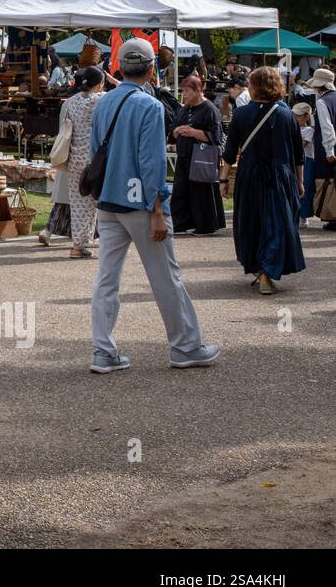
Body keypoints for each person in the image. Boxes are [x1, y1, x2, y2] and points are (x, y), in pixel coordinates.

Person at [87, 38, 219, 374]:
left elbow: (94, 152)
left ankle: (104, 349)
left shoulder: (102, 103)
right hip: (142, 203)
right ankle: (185, 346)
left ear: (119, 66)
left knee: (107, 277)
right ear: (150, 69)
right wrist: (159, 208)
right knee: (165, 277)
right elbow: (152, 162)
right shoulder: (150, 106)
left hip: (109, 198)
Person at [220, 67, 306, 295]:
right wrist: (300, 181)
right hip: (280, 176)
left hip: (250, 176)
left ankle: (261, 267)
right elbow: (298, 154)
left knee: (252, 222)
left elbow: (230, 151)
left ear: (254, 86)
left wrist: (223, 179)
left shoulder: (241, 114)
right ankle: (267, 271)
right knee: (278, 224)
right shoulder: (286, 115)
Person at [45, 66, 104, 258]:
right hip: (97, 159)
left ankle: (78, 245)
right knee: (102, 202)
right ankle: (108, 242)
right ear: (99, 84)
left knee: (79, 204)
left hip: (74, 159)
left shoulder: (69, 103)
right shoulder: (102, 100)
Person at [170, 75, 225, 235]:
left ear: (197, 90)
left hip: (201, 157)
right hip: (184, 155)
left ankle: (205, 224)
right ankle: (180, 223)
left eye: (186, 91)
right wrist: (176, 131)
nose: (184, 95)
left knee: (201, 192)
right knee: (181, 190)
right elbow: (172, 129)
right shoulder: (184, 109)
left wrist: (194, 132)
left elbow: (216, 137)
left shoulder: (209, 109)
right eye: (183, 91)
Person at [307, 68, 336, 230]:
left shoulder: (322, 102)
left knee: (327, 182)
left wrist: (329, 151)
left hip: (328, 148)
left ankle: (331, 215)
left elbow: (327, 128)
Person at [292, 102, 317, 224]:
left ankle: (304, 215)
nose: (296, 118)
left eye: (298, 116)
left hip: (307, 160)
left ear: (306, 116)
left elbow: (302, 145)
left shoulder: (309, 130)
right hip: (296, 160)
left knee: (305, 186)